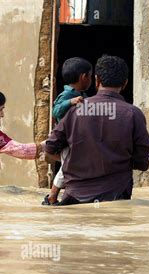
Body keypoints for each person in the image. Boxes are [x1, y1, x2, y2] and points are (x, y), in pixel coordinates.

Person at [43, 55, 149, 205]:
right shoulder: (133, 114)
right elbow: (142, 162)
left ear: (97, 80)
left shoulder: (75, 110)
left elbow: (49, 149)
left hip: (74, 197)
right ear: (125, 83)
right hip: (116, 197)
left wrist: (70, 159)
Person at [43, 57, 92, 205]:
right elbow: (55, 111)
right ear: (84, 77)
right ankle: (52, 196)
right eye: (90, 76)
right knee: (66, 168)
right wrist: (70, 102)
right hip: (67, 140)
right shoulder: (67, 95)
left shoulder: (82, 96)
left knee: (70, 167)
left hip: (76, 139)